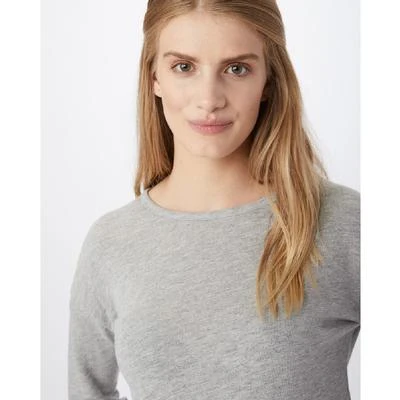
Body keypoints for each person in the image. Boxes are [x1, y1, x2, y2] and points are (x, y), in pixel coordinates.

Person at [68, 1, 360, 399]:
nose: (209, 99)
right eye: (183, 67)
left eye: (236, 69)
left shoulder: (344, 224)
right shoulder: (111, 244)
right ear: (154, 77)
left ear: (269, 81)